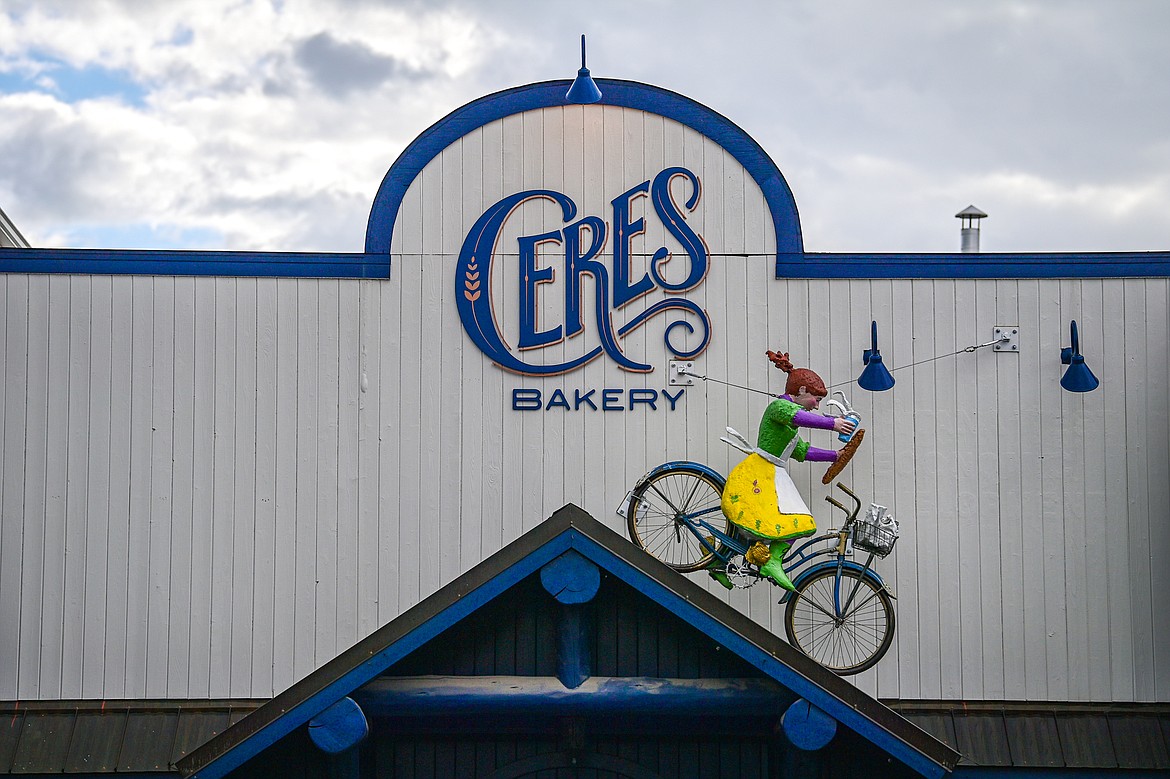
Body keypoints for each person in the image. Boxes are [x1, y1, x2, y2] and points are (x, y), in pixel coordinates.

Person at [713, 350, 856, 591]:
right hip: (763, 471)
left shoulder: (788, 425)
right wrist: (834, 424)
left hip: (771, 471)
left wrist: (835, 456)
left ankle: (717, 560)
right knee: (799, 520)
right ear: (801, 392)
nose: (817, 406)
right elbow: (801, 418)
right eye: (816, 399)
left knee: (751, 524)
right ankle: (773, 561)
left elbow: (802, 451)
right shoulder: (780, 407)